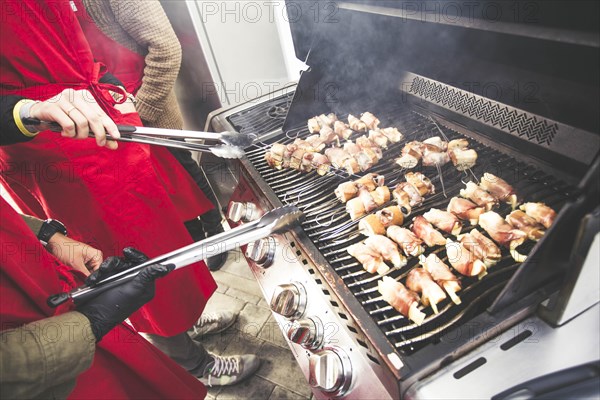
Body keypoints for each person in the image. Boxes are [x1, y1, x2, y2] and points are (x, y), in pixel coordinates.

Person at [0, 0, 258, 387]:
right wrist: (29, 110)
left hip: (99, 116)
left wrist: (114, 93)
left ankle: (185, 322)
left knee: (162, 240)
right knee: (125, 259)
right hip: (55, 145)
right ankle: (191, 361)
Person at [0, 197, 207, 399]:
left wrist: (46, 235)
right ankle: (196, 363)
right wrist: (90, 321)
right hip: (47, 366)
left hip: (58, 299)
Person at [77, 0, 228, 271]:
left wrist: (141, 110)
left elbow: (167, 49)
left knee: (184, 175)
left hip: (147, 109)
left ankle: (215, 234)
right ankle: (193, 250)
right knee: (162, 191)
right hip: (112, 121)